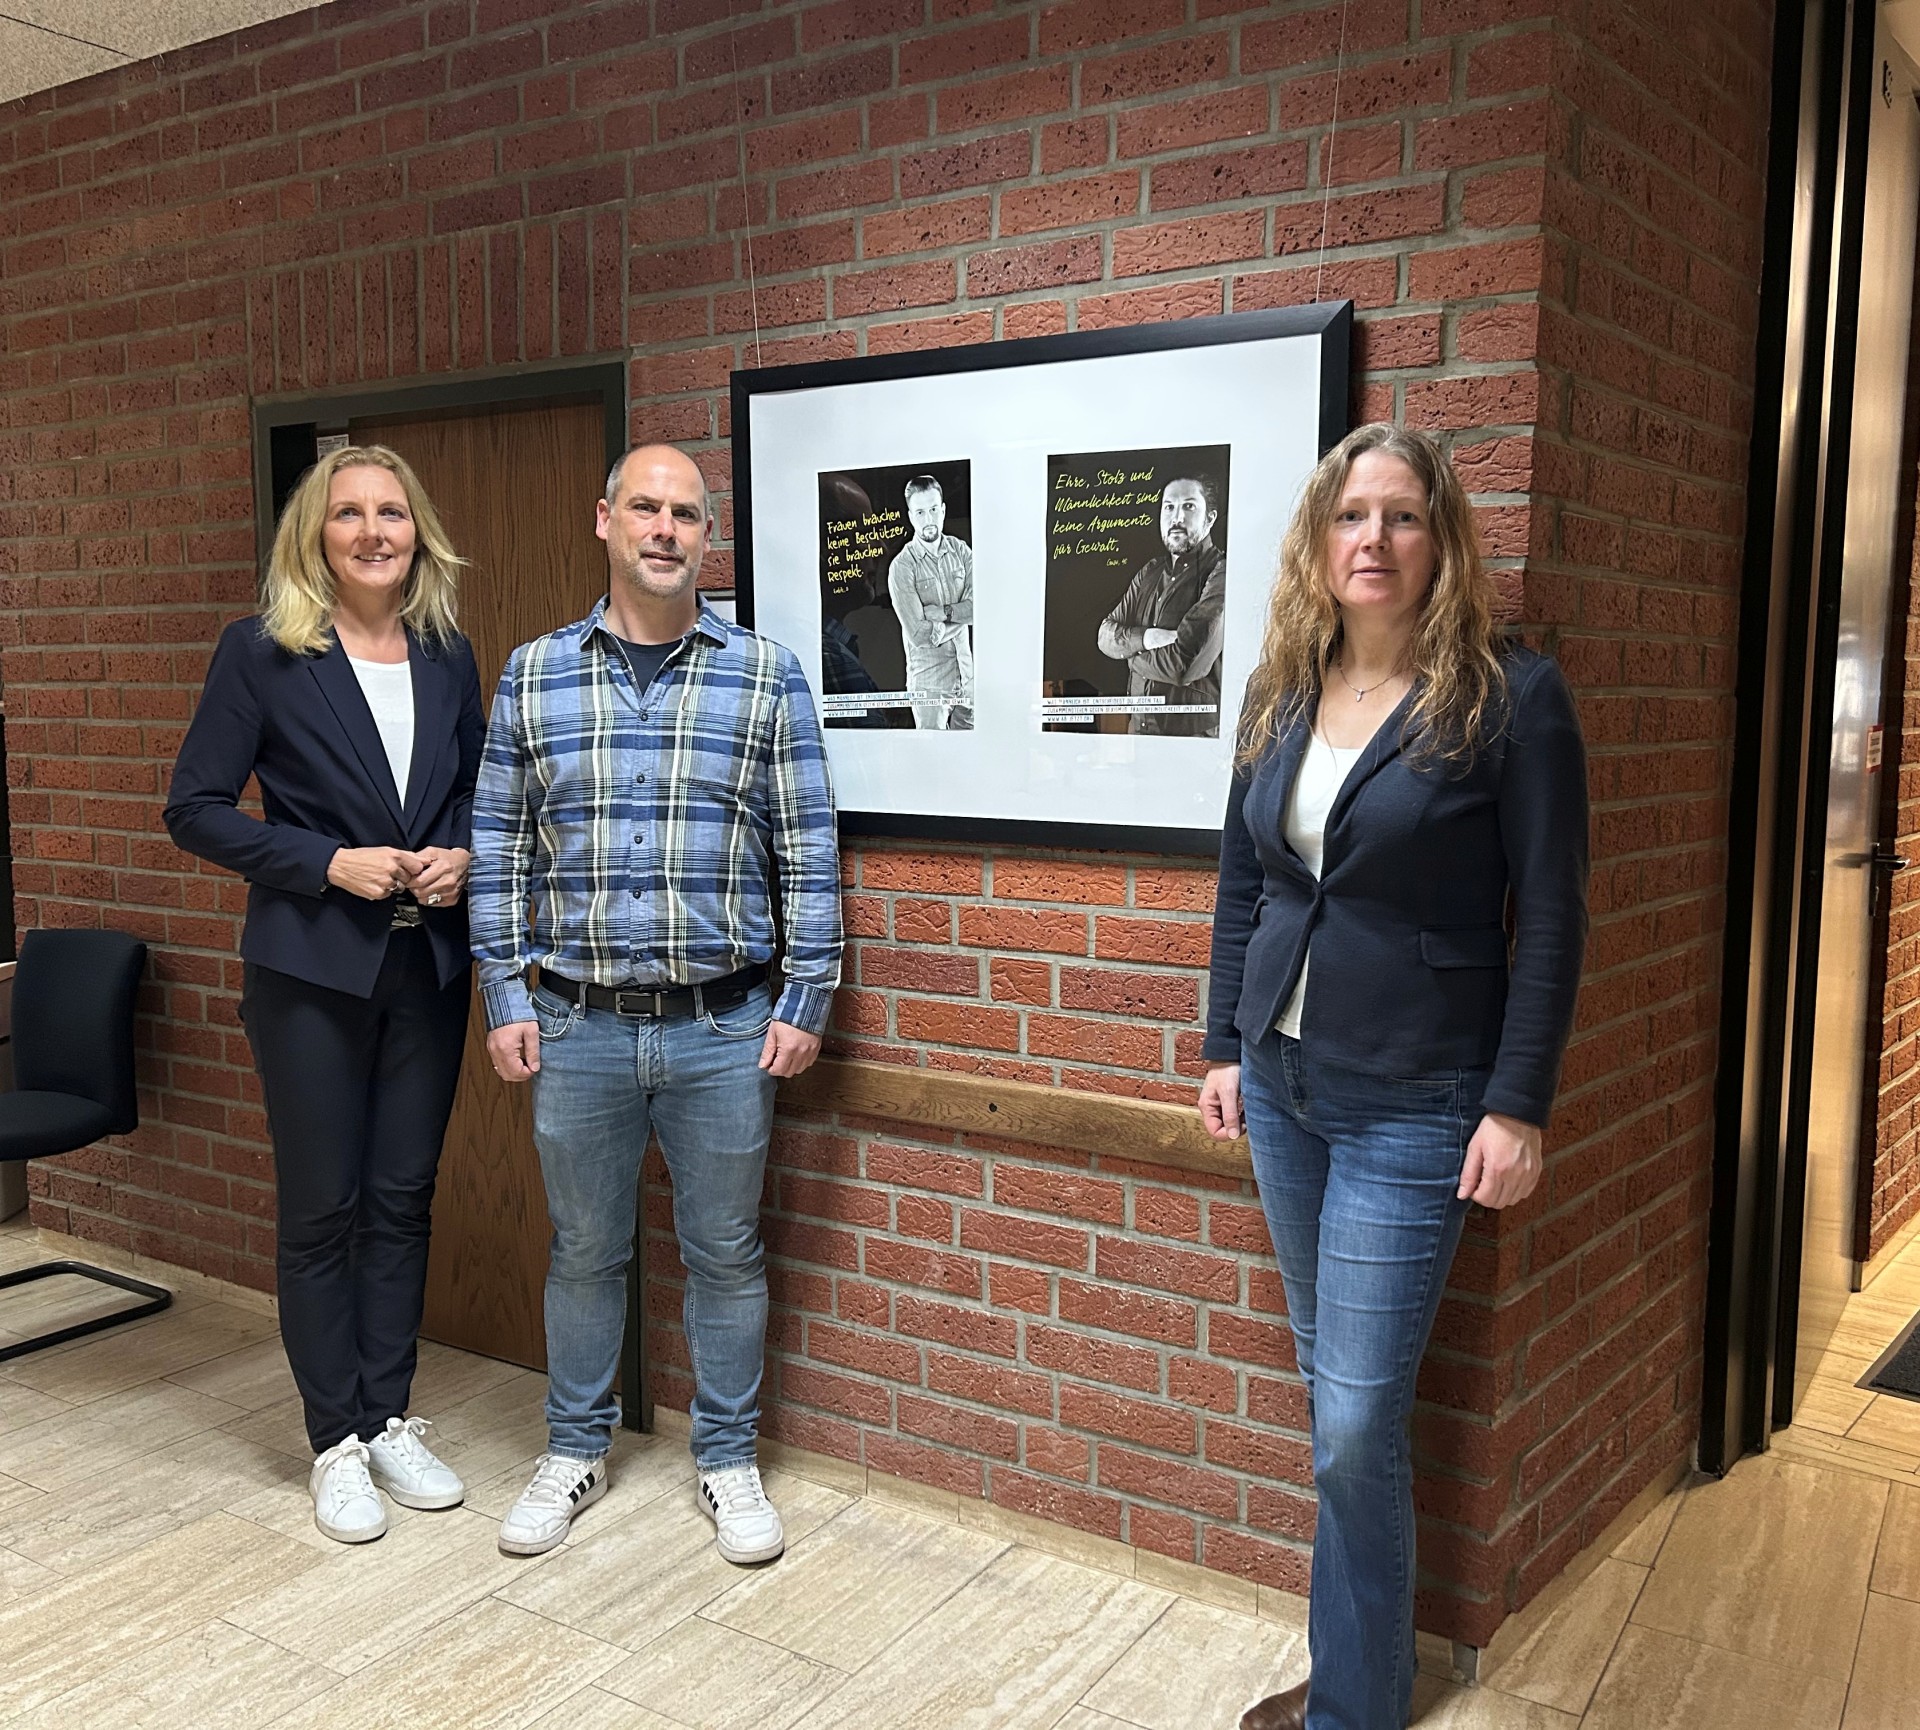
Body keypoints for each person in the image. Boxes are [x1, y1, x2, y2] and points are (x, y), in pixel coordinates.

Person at [1199, 425, 1588, 1730]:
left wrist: (1518, 1102)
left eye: (1403, 514)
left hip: (1414, 1101)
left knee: (1358, 1419)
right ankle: (1357, 1676)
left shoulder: (1508, 697)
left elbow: (1553, 915)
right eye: (1351, 514)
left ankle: (1353, 1707)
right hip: (1283, 1086)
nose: (1374, 538)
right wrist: (1221, 1043)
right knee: (1337, 1404)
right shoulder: (1281, 688)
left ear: (1443, 539)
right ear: (1320, 538)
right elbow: (1245, 881)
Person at [470, 442, 841, 1562]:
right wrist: (502, 989)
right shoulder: (534, 673)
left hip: (726, 1027)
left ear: (707, 536)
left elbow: (808, 848)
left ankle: (727, 1458)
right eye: (646, 507)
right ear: (606, 520)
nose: (666, 529)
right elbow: (498, 845)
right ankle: (573, 1447)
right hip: (574, 1022)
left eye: (686, 513)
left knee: (725, 1251)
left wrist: (808, 994)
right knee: (585, 1249)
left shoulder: (764, 675)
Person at [165, 445, 485, 1544]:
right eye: (348, 513)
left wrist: (462, 853)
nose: (372, 531)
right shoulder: (260, 652)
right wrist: (323, 861)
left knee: (402, 1197)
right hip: (309, 969)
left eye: (392, 511)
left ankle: (389, 1415)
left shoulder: (447, 653)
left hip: (428, 966)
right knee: (322, 1207)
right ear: (316, 535)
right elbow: (195, 808)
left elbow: (476, 789)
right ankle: (335, 1440)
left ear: (416, 531)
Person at [1097, 474, 1228, 736]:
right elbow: (1104, 635)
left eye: (1189, 506)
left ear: (1210, 518)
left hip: (1192, 740)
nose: (1176, 517)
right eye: (1169, 507)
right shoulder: (1150, 572)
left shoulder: (1221, 572)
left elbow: (1183, 666)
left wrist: (1130, 655)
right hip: (1138, 729)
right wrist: (1147, 638)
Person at [887, 474, 974, 729]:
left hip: (968, 679)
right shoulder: (902, 567)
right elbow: (919, 634)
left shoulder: (961, 551)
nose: (929, 519)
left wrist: (943, 613)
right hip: (929, 686)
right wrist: (963, 616)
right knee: (934, 754)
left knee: (971, 752)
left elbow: (983, 607)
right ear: (911, 516)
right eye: (921, 512)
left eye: (934, 510)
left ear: (943, 510)